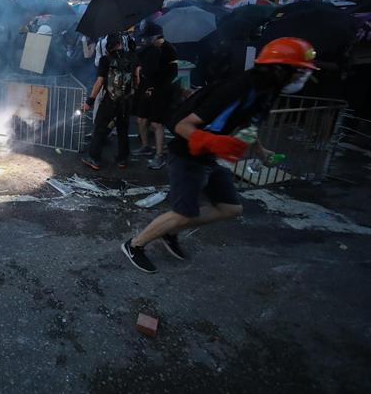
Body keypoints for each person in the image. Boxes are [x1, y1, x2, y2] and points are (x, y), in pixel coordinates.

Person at [121, 37, 318, 273]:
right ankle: (135, 245)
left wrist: (260, 151)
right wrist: (214, 142)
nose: (301, 79)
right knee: (184, 212)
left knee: (230, 208)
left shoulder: (267, 91)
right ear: (278, 69)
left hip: (208, 156)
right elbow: (182, 125)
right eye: (298, 73)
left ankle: (170, 231)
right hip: (186, 155)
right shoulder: (235, 88)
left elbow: (249, 124)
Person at [81, 34, 139, 169]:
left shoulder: (105, 59)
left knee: (100, 128)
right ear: (120, 43)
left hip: (110, 101)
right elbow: (137, 78)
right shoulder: (132, 57)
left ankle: (94, 158)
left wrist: (90, 101)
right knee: (123, 130)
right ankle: (122, 159)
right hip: (126, 101)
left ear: (107, 47)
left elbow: (100, 82)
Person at [133, 23, 178, 170]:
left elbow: (173, 73)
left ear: (156, 37)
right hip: (146, 88)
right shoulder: (148, 49)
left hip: (161, 91)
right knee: (141, 119)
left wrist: (157, 87)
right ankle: (146, 146)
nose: (146, 41)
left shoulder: (169, 50)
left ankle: (159, 155)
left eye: (148, 38)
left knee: (156, 123)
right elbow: (140, 62)